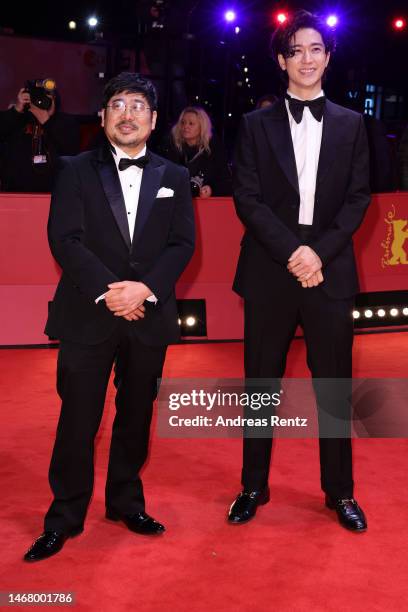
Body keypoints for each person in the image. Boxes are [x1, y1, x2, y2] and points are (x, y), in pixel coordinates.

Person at [23, 73, 195, 562]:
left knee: (137, 415)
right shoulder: (75, 169)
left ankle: (125, 502)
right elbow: (64, 239)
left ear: (154, 119)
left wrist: (144, 289)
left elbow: (182, 244)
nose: (127, 113)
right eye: (117, 105)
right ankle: (64, 516)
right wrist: (111, 291)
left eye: (138, 105)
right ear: (102, 118)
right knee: (78, 418)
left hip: (149, 313)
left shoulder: (175, 177)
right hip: (86, 311)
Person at [228, 10, 370, 532]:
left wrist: (319, 254)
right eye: (296, 50)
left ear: (328, 57)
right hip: (270, 266)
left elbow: (358, 200)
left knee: (334, 385)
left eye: (316, 49)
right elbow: (247, 197)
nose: (306, 59)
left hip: (329, 269)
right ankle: (252, 485)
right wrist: (294, 251)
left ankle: (340, 493)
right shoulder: (253, 124)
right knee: (260, 383)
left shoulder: (354, 125)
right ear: (282, 60)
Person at [0, 82, 79, 192]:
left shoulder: (65, 123)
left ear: (55, 100)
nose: (42, 102)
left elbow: (71, 151)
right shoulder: (18, 120)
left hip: (54, 194)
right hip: (17, 194)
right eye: (38, 98)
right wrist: (17, 110)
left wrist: (47, 122)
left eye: (48, 98)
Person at [162, 106, 232, 197]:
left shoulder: (213, 150)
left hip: (206, 206)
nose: (185, 126)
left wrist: (211, 190)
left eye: (191, 124)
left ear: (202, 126)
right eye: (183, 123)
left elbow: (226, 182)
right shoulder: (172, 148)